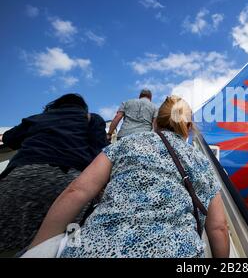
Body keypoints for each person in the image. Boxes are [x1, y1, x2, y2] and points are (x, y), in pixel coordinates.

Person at [29, 95, 229, 258]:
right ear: (189, 127)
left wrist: (38, 249)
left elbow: (77, 191)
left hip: (96, 249)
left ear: (156, 123)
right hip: (179, 252)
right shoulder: (202, 162)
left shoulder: (125, 144)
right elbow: (218, 227)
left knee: (73, 233)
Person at [0, 93, 107, 254]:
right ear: (83, 108)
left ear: (56, 105)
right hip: (69, 187)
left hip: (18, 180)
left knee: (8, 239)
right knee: (70, 244)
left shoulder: (38, 118)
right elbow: (99, 152)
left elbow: (9, 139)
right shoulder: (92, 119)